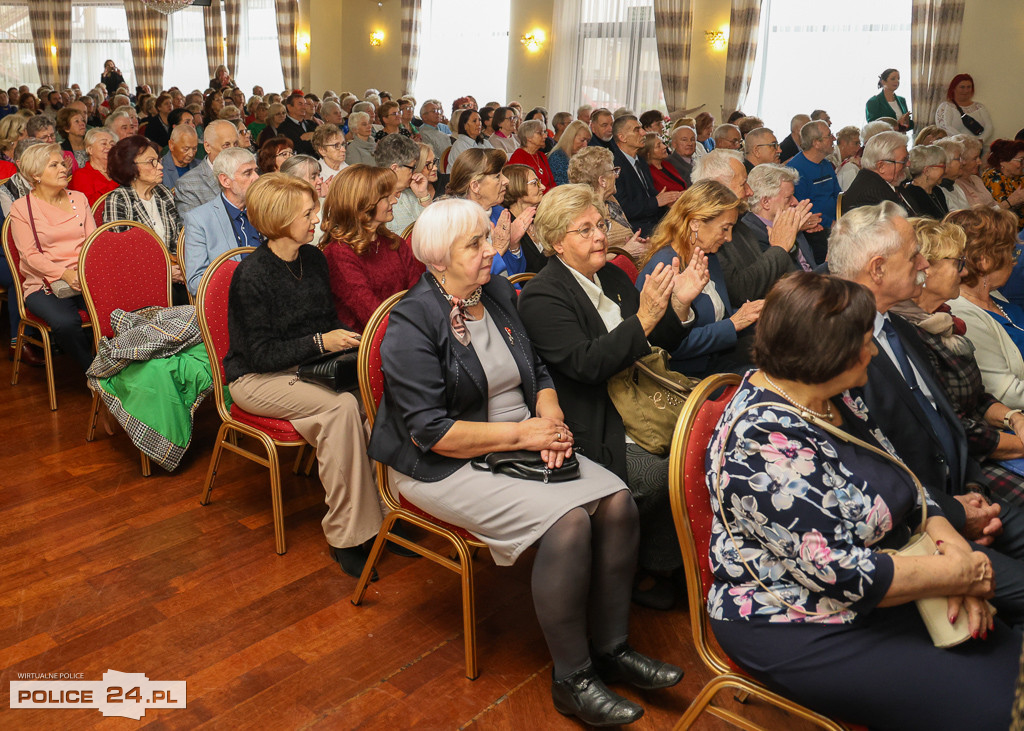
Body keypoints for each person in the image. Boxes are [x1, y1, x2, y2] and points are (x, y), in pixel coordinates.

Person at [369, 196, 683, 725]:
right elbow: (432, 431)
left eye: (489, 239)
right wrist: (522, 433)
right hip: (444, 462)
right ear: (438, 258)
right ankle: (572, 678)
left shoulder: (489, 291)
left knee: (618, 502)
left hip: (523, 436)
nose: (492, 251)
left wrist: (552, 417)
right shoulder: (411, 322)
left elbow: (535, 367)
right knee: (566, 525)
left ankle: (612, 648)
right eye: (476, 244)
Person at [706, 270, 1019, 729]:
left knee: (1009, 666)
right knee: (1002, 707)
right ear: (827, 355)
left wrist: (953, 557)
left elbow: (907, 482)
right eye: (865, 341)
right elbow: (841, 572)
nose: (873, 350)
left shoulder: (833, 395)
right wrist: (953, 572)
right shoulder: (758, 442)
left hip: (890, 572)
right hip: (794, 616)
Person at [832, 202, 1024, 628]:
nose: (924, 263)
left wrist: (971, 489)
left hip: (959, 489)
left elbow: (946, 421)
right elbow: (873, 468)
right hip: (915, 524)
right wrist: (952, 517)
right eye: (914, 254)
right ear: (878, 269)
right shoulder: (840, 346)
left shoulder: (898, 325)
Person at [518, 184, 709, 609]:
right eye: (583, 230)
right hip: (596, 416)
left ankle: (684, 561)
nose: (600, 236)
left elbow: (654, 343)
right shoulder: (543, 296)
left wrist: (678, 305)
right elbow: (586, 365)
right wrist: (643, 318)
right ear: (555, 242)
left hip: (641, 397)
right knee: (663, 471)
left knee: (708, 439)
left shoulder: (613, 275)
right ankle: (651, 566)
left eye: (601, 225)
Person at [223, 173, 384, 577]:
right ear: (280, 219)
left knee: (375, 396)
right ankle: (347, 535)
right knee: (343, 410)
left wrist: (343, 345)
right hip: (256, 380)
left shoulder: (312, 259)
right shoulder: (252, 274)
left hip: (308, 368)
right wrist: (321, 344)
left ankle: (385, 518)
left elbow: (324, 321)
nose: (317, 219)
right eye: (308, 213)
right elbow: (259, 355)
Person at [892, 218, 1024, 505]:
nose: (964, 272)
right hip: (961, 464)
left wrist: (1013, 417)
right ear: (924, 269)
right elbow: (954, 424)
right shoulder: (908, 333)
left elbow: (977, 397)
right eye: (957, 263)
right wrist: (1018, 443)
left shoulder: (942, 320)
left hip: (983, 446)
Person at [637, 180, 759, 377]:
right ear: (695, 223)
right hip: (689, 374)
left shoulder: (707, 255)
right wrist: (733, 324)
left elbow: (717, 314)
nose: (728, 238)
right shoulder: (665, 268)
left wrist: (751, 314)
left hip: (716, 358)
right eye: (725, 228)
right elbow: (670, 347)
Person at [8, 143, 95, 370]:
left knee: (117, 309)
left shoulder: (79, 198)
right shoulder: (21, 208)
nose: (63, 169)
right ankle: (95, 372)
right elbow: (29, 256)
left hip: (86, 276)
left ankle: (123, 365)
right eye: (53, 165)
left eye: (62, 164)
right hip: (44, 283)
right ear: (36, 175)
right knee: (66, 323)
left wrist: (83, 272)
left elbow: (93, 242)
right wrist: (64, 273)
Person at [318, 165, 423, 331]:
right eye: (386, 197)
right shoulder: (339, 253)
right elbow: (371, 314)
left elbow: (419, 294)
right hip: (364, 347)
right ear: (362, 203)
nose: (394, 201)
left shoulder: (394, 242)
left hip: (407, 332)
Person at [947, 206, 1024, 409]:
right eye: (1008, 251)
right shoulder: (962, 316)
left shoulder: (992, 296)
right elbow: (1008, 394)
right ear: (984, 261)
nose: (1014, 260)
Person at [181, 148, 260, 294]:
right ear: (225, 180)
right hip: (232, 301)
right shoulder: (200, 219)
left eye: (256, 171)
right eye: (247, 173)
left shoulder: (264, 210)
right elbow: (196, 283)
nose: (256, 177)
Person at [448, 147, 528, 277]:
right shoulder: (454, 223)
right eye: (497, 176)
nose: (506, 181)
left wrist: (513, 246)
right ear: (475, 186)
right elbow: (463, 280)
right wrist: (497, 250)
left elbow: (517, 275)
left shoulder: (498, 212)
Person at [567, 146, 645, 257]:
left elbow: (626, 237)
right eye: (614, 171)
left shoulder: (610, 201)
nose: (617, 176)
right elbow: (587, 258)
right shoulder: (584, 212)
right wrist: (626, 252)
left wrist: (637, 243)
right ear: (602, 180)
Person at [611, 115, 681, 237]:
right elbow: (623, 208)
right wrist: (656, 201)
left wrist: (668, 200)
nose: (643, 133)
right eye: (637, 130)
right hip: (633, 229)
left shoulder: (641, 161)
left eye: (642, 128)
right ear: (622, 137)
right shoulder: (614, 165)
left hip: (652, 222)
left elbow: (649, 194)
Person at [174, 119, 239, 216]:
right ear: (207, 146)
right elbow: (193, 228)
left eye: (236, 144)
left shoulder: (248, 174)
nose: (233, 150)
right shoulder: (188, 185)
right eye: (226, 145)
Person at [840, 131, 910, 214]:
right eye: (904, 160)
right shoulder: (872, 195)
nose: (909, 164)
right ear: (881, 166)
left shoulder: (871, 180)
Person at [501, 164, 546, 273]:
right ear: (517, 187)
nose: (543, 187)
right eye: (535, 183)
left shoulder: (541, 218)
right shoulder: (507, 225)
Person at [387, 142, 437, 237]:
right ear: (395, 168)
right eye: (411, 168)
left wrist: (423, 195)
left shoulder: (413, 193)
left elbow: (436, 228)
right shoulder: (378, 201)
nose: (414, 171)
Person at [936, 73, 993, 144]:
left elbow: (989, 127)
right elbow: (945, 127)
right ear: (954, 88)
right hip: (953, 148)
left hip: (976, 149)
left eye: (968, 87)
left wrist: (980, 140)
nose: (966, 90)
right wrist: (966, 141)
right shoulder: (946, 107)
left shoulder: (979, 107)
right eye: (962, 87)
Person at [68, 128, 118, 206]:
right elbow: (90, 205)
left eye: (112, 144)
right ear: (90, 149)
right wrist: (117, 181)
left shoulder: (119, 171)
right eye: (104, 144)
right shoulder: (81, 175)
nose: (109, 147)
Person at [899, 144, 949, 219]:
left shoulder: (937, 191)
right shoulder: (911, 194)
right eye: (943, 167)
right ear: (927, 171)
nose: (946, 171)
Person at [956, 135, 1007, 209]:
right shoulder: (957, 185)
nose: (980, 162)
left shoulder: (975, 179)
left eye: (979, 157)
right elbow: (975, 215)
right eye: (975, 158)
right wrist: (1011, 202)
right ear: (962, 161)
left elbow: (994, 203)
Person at [981, 140, 1024, 227]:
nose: (1023, 164)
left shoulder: (1017, 176)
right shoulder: (993, 177)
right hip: (1007, 229)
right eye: (1021, 160)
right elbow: (1000, 213)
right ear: (1003, 161)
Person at [508, 119, 556, 191]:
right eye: (540, 133)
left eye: (544, 132)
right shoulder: (518, 157)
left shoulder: (541, 155)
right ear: (529, 137)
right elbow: (519, 187)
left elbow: (551, 182)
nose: (545, 136)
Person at [547, 120, 590, 186]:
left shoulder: (579, 157)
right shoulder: (557, 158)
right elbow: (562, 188)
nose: (585, 145)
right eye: (582, 140)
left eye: (587, 141)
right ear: (571, 137)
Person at [932, 136, 969, 212]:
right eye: (959, 159)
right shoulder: (935, 192)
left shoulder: (956, 186)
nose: (964, 162)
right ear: (945, 163)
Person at [161, 124, 200, 190]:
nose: (191, 154)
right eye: (186, 149)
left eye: (194, 148)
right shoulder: (160, 169)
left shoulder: (200, 166)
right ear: (171, 145)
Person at [312, 123, 347, 192]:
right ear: (322, 150)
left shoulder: (350, 169)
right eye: (336, 145)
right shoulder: (315, 175)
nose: (343, 149)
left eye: (343, 144)